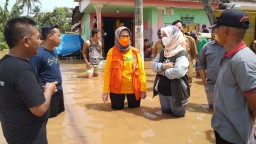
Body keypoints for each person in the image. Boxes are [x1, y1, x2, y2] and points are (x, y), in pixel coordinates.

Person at [0, 17, 57, 143]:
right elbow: (39, 109)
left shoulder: (3, 63)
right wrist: (49, 90)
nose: (40, 42)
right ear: (26, 41)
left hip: (12, 133)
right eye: (37, 38)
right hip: (30, 137)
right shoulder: (23, 70)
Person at [211, 9, 256, 143]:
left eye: (216, 29)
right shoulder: (232, 56)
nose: (215, 32)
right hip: (224, 131)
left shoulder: (242, 61)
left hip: (235, 137)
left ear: (225, 31)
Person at [102, 26, 147, 110]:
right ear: (117, 37)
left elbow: (141, 71)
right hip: (116, 90)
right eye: (122, 36)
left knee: (135, 111)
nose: (125, 38)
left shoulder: (135, 52)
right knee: (116, 111)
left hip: (134, 89)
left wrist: (143, 89)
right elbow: (107, 73)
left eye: (127, 36)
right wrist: (105, 91)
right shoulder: (111, 52)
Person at [151, 25, 190, 117]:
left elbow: (179, 72)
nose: (162, 38)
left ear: (174, 37)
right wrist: (165, 65)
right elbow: (153, 66)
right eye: (162, 35)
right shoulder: (163, 52)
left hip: (177, 93)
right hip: (162, 92)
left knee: (178, 118)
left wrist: (162, 72)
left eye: (165, 35)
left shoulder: (182, 53)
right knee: (165, 114)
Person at [29, 25, 64, 118]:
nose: (61, 38)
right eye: (59, 36)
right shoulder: (37, 54)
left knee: (59, 119)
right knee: (49, 119)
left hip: (59, 91)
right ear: (50, 36)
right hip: (48, 94)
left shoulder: (54, 50)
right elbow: (32, 76)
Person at [196, 32, 225, 109]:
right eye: (214, 32)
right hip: (211, 83)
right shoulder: (207, 47)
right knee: (212, 108)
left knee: (225, 109)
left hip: (228, 85)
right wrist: (204, 82)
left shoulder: (231, 47)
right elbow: (200, 64)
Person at [172, 20, 197, 84]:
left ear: (183, 28)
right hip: (174, 70)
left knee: (187, 89)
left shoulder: (190, 40)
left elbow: (194, 55)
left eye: (180, 27)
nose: (179, 30)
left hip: (187, 71)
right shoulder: (170, 41)